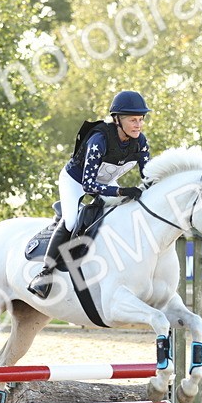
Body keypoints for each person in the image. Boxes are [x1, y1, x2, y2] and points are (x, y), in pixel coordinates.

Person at [27, 90, 152, 299]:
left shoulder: (141, 142)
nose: (138, 125)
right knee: (71, 221)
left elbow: (147, 176)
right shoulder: (98, 140)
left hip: (106, 181)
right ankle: (45, 274)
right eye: (133, 120)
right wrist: (121, 191)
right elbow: (88, 185)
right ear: (118, 120)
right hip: (76, 181)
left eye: (140, 119)